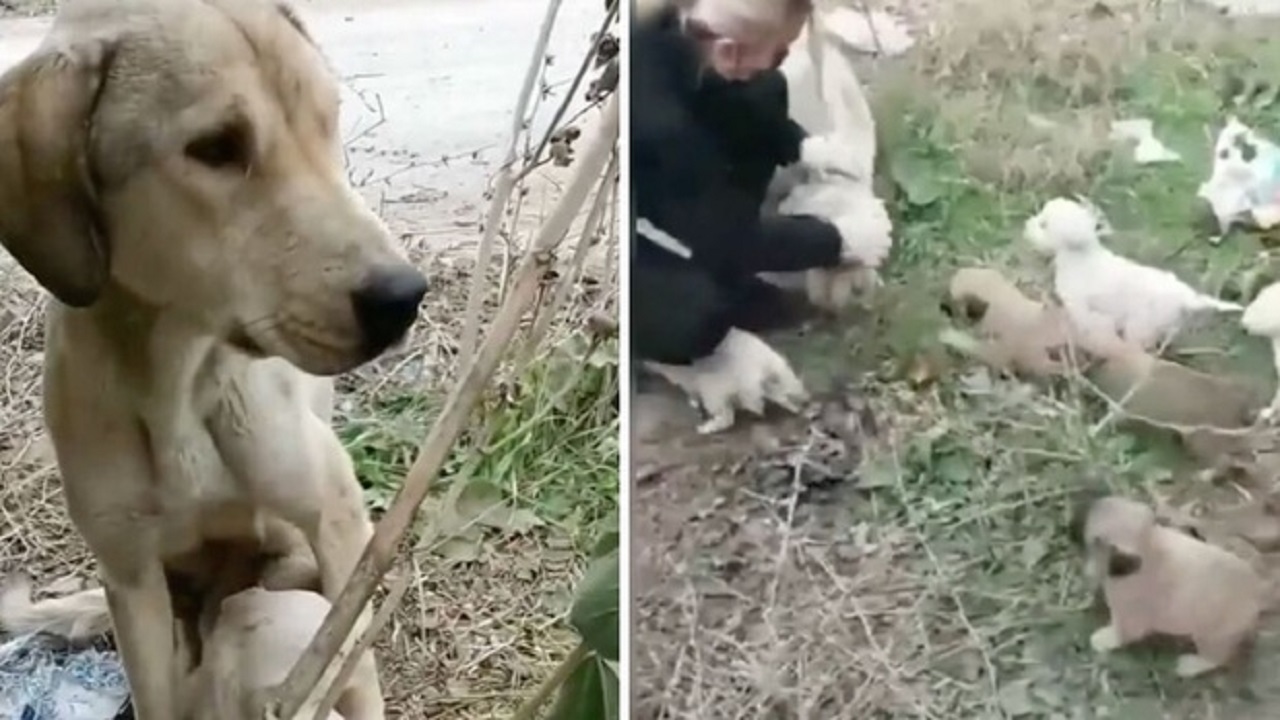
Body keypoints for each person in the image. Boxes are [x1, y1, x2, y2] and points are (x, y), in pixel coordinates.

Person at [631, 0, 864, 421]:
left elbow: (741, 108)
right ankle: (668, 343)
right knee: (695, 316)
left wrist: (800, 147)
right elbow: (711, 233)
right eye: (778, 51)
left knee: (762, 90)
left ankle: (724, 286)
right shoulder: (655, 120)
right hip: (643, 242)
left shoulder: (687, 42)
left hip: (685, 208)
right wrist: (833, 240)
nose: (782, 59)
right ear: (728, 50)